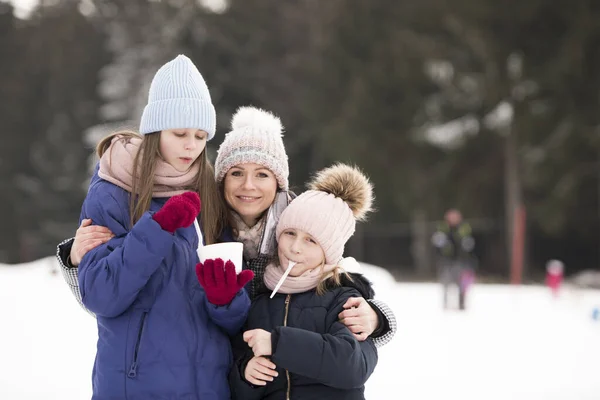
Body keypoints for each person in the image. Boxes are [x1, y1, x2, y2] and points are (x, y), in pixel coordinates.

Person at [57, 106, 397, 346]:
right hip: (218, 380)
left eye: (262, 174)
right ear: (221, 179)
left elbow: (342, 284)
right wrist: (76, 263)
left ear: (278, 182)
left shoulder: (302, 230)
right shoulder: (200, 226)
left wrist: (376, 318)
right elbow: (129, 293)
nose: (248, 185)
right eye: (236, 173)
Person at [75, 54, 252, 399]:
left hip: (207, 388)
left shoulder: (209, 195)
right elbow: (100, 294)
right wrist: (158, 228)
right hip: (136, 386)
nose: (192, 145)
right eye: (180, 133)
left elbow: (235, 322)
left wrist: (226, 301)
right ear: (156, 129)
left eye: (201, 136)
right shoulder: (114, 190)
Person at [229, 163, 378, 399]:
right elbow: (238, 371)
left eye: (311, 240)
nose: (295, 248)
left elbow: (352, 366)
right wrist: (246, 373)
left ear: (328, 250)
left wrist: (278, 344)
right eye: (290, 234)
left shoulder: (343, 298)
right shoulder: (261, 299)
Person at [431, 208, 476, 310]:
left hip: (461, 260)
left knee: (462, 283)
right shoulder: (442, 228)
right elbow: (436, 242)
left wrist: (467, 244)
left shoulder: (464, 228)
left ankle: (462, 303)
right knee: (445, 282)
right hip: (446, 260)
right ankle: (445, 304)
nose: (453, 219)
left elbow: (470, 242)